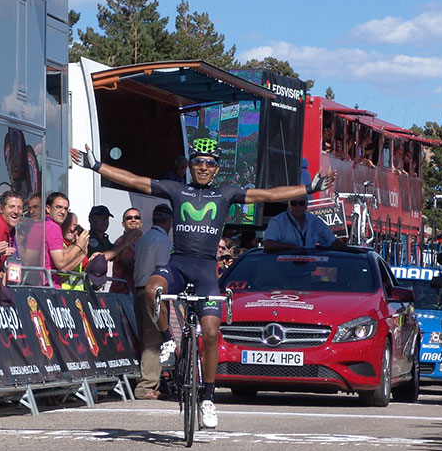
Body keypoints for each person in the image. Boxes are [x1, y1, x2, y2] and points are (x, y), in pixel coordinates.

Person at [71, 137, 332, 430]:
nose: (203, 167)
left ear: (216, 168)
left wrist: (310, 188)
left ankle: (207, 397)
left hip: (206, 272)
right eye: (198, 162)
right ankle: (168, 340)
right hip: (178, 265)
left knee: (209, 332)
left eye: (209, 163)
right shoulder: (176, 189)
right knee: (151, 290)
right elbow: (133, 179)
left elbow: (269, 195)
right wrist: (95, 165)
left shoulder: (225, 193)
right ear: (190, 165)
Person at [131, 203, 172, 399]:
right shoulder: (163, 240)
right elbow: (161, 269)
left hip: (138, 290)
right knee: (153, 341)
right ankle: (146, 386)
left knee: (147, 339)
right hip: (152, 292)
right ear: (169, 222)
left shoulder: (144, 238)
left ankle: (150, 382)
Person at [263, 194, 345, 252]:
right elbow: (268, 245)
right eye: (294, 203)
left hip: (309, 271)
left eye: (301, 203)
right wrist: (292, 247)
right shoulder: (277, 222)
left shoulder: (315, 222)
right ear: (289, 205)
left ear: (306, 205)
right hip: (283, 271)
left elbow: (332, 241)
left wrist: (350, 250)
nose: (297, 207)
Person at [43, 191, 88, 288]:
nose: (63, 212)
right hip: (50, 286)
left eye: (66, 209)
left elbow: (57, 254)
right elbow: (61, 263)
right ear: (48, 208)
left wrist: (76, 244)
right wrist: (79, 246)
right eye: (58, 207)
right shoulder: (53, 227)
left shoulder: (43, 225)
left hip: (40, 283)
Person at [110, 207, 143, 294]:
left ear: (141, 223)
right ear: (123, 224)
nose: (133, 220)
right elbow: (127, 265)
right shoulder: (120, 243)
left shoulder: (147, 242)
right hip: (121, 294)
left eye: (137, 217)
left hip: (139, 293)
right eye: (129, 218)